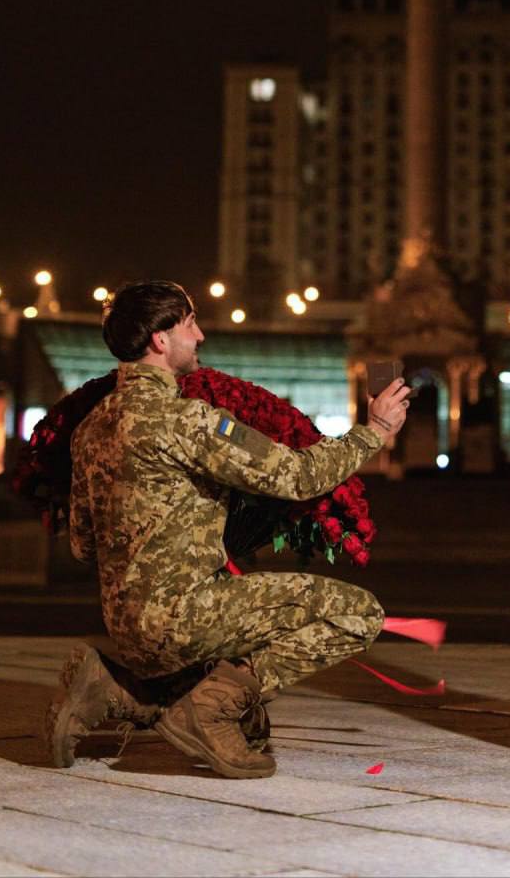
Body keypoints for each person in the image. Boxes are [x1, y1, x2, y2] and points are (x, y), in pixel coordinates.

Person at [45, 280, 410, 779]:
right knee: (357, 614)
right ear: (160, 339)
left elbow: (83, 545)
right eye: (190, 324)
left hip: (125, 626)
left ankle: (119, 687)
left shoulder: (92, 428)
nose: (199, 336)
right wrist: (375, 431)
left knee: (225, 630)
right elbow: (298, 476)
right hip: (185, 621)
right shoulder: (184, 421)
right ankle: (209, 709)